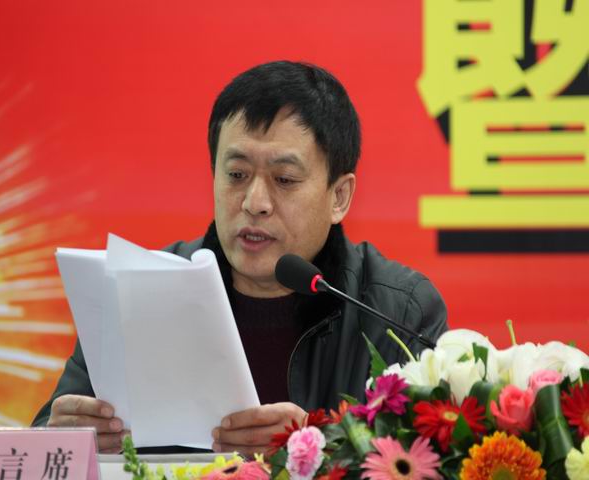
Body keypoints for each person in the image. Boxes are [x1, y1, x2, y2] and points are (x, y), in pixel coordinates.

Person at [32, 61, 448, 456]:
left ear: (338, 197)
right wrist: (65, 440)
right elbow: (38, 447)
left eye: (284, 179)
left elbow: (430, 459)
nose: (255, 202)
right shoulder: (136, 289)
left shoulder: (397, 310)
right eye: (236, 175)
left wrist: (317, 449)